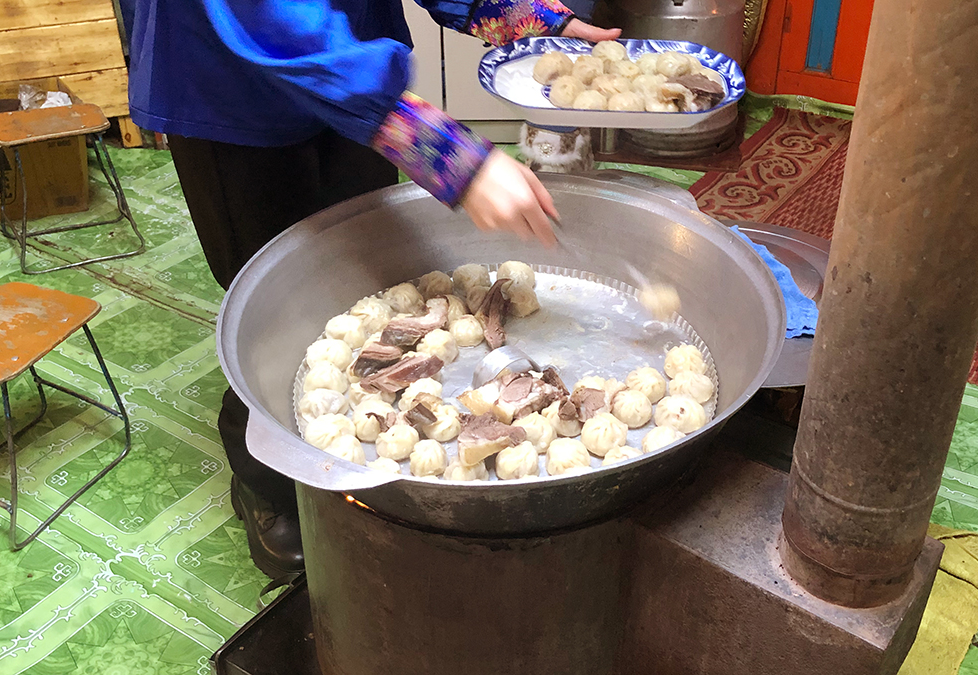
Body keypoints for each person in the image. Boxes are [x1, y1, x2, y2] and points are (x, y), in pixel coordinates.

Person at [127, 0, 620, 578]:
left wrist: (514, 14)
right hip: (230, 79)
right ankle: (264, 482)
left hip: (350, 52)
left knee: (372, 269)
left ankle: (364, 456)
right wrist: (440, 150)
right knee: (272, 307)